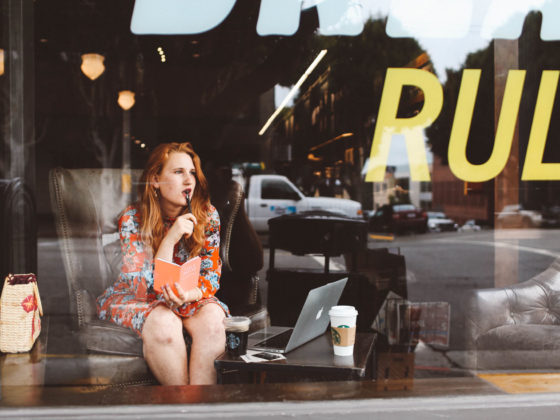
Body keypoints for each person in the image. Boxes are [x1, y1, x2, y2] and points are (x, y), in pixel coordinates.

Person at [96, 142, 229, 385]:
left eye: (191, 172)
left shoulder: (207, 215)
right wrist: (170, 239)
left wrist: (187, 294)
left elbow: (210, 276)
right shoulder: (133, 218)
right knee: (165, 322)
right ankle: (180, 407)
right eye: (178, 172)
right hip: (138, 299)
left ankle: (199, 409)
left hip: (187, 298)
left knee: (213, 321)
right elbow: (142, 286)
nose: (188, 180)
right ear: (155, 180)